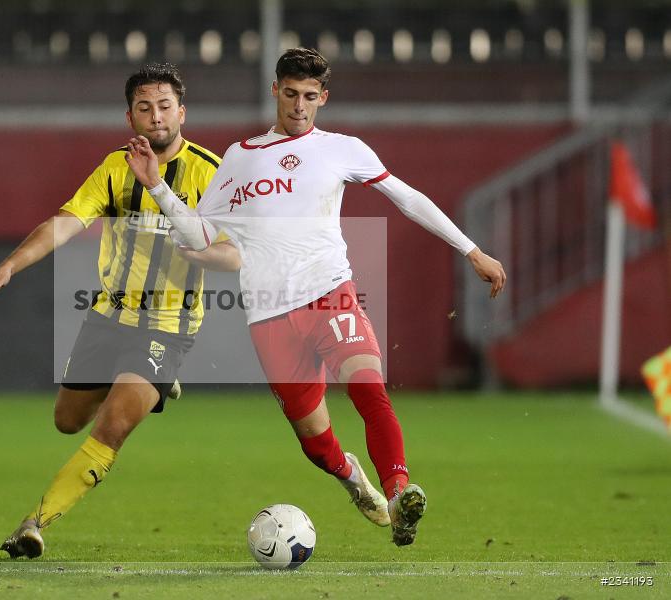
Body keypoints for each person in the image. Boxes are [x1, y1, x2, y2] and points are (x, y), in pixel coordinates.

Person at [124, 48, 506, 547]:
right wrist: (157, 187)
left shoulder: (342, 149)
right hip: (269, 317)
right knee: (317, 444)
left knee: (369, 389)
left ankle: (399, 493)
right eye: (290, 94)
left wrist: (471, 250)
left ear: (323, 97)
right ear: (275, 92)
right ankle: (353, 479)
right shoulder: (240, 157)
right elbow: (199, 234)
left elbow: (407, 198)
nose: (299, 105)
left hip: (331, 295)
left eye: (309, 96)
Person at [0, 63, 241, 559]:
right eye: (144, 108)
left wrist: (202, 254)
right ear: (130, 117)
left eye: (164, 106)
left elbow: (236, 255)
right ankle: (153, 383)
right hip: (108, 317)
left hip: (167, 326)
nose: (156, 116)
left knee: (111, 427)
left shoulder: (212, 173)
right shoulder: (116, 168)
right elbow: (65, 223)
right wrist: (12, 264)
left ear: (181, 112)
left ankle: (34, 523)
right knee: (67, 420)